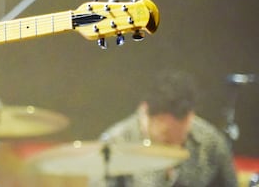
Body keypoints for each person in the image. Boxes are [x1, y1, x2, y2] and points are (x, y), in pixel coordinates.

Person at [99, 69, 237, 187]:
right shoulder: (116, 142)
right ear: (145, 112)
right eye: (165, 138)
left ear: (191, 116)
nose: (174, 145)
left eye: (180, 137)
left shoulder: (210, 141)